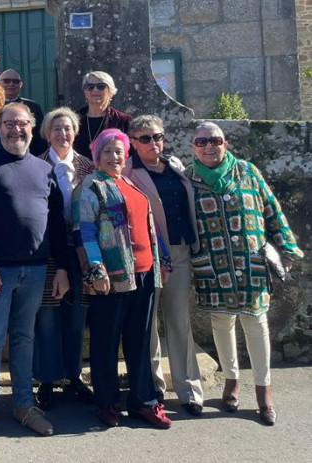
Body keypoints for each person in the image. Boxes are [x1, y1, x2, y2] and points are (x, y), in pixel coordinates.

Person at [0, 102, 69, 448]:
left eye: (22, 123)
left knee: (25, 339)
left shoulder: (43, 169)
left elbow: (55, 224)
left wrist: (63, 267)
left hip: (36, 270)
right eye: (8, 123)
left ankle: (24, 405)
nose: (15, 129)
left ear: (31, 127)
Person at [187, 122, 304, 426]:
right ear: (193, 147)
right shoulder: (188, 179)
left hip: (250, 261)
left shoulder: (247, 171)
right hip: (213, 266)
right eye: (202, 141)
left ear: (225, 143)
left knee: (256, 323)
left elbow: (272, 210)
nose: (209, 146)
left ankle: (264, 391)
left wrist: (287, 247)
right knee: (222, 322)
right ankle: (231, 381)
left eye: (215, 140)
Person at [72, 128, 172, 430]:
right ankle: (107, 401)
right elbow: (84, 231)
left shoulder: (129, 182)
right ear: (97, 156)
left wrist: (162, 258)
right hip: (112, 276)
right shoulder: (91, 187)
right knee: (105, 341)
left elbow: (148, 225)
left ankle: (144, 400)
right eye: (107, 152)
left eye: (119, 151)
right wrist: (96, 269)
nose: (114, 157)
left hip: (144, 272)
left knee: (140, 340)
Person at [122, 115, 204, 416]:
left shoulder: (174, 166)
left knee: (180, 322)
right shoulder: (128, 171)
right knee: (148, 326)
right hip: (149, 255)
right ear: (133, 142)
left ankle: (189, 390)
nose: (153, 143)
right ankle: (153, 387)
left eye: (157, 136)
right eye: (145, 138)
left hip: (180, 251)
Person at [32, 107, 95, 410]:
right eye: (56, 128)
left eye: (68, 128)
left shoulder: (89, 166)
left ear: (76, 132)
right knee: (47, 316)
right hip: (47, 252)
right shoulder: (35, 166)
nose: (62, 133)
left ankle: (73, 375)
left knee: (76, 317)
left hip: (81, 250)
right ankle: (45, 379)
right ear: (46, 133)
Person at [73, 71, 131, 160]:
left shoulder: (123, 120)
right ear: (85, 92)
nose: (95, 90)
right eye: (90, 87)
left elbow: (130, 153)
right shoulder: (74, 119)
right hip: (78, 171)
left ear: (110, 91)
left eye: (101, 86)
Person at [0, 68, 46, 154]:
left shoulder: (34, 107)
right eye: (6, 81)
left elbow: (41, 137)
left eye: (15, 81)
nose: (11, 84)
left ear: (20, 84)